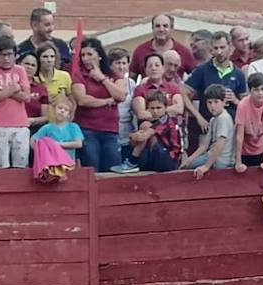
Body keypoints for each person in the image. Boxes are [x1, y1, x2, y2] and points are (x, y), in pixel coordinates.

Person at [70, 36, 126, 170]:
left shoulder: (113, 75)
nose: (85, 58)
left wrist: (102, 79)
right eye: (83, 55)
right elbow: (82, 100)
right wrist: (106, 101)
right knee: (91, 167)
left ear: (99, 56)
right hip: (88, 129)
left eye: (89, 54)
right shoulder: (79, 75)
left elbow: (120, 96)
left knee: (113, 168)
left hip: (110, 130)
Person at [0, 36, 30, 168]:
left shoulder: (20, 70)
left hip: (20, 124)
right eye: (2, 55)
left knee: (21, 166)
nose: (6, 59)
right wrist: (14, 89)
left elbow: (26, 97)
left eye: (9, 54)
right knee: (1, 167)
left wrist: (3, 90)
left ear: (15, 55)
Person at [181, 83, 234, 175]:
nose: (212, 106)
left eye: (216, 102)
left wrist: (206, 166)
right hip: (211, 156)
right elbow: (204, 145)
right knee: (186, 164)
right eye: (209, 102)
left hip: (220, 160)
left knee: (187, 169)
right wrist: (189, 159)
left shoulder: (223, 118)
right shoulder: (214, 119)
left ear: (223, 102)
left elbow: (220, 144)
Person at [233, 70, 263, 171]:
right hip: (244, 151)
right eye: (256, 90)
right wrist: (238, 161)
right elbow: (239, 135)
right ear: (250, 91)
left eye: (262, 89)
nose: (260, 93)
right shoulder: (242, 106)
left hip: (260, 149)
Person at [131, 13, 193, 79]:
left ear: (172, 29)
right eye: (157, 26)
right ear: (152, 28)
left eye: (165, 26)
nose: (161, 29)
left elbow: (195, 77)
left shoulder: (183, 51)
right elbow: (131, 79)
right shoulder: (140, 51)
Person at [31, 90, 81, 164]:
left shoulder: (73, 127)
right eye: (60, 108)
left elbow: (79, 144)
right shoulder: (47, 128)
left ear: (69, 114)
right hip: (51, 163)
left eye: (66, 110)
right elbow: (33, 140)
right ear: (54, 110)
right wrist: (40, 152)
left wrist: (58, 144)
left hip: (68, 163)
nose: (62, 111)